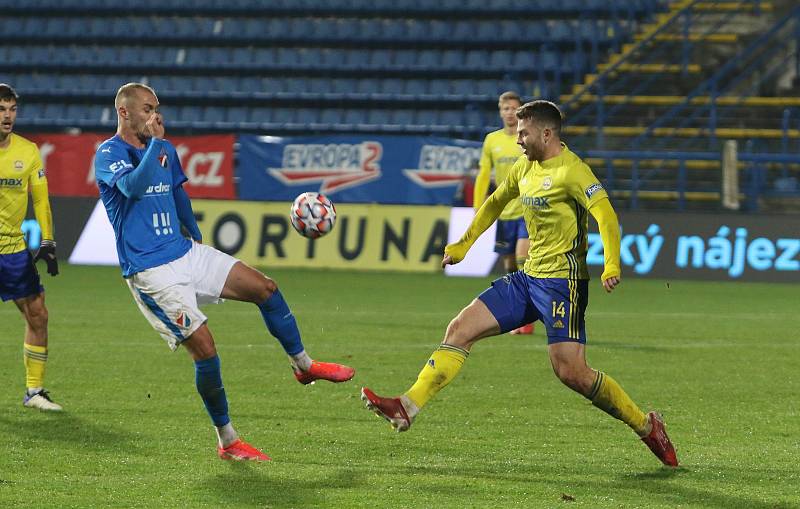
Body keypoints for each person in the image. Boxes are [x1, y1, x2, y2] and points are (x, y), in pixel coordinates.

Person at [362, 100, 678, 467]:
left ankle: (646, 426)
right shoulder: (525, 167)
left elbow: (605, 214)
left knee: (571, 373)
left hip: (563, 282)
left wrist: (611, 264)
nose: (518, 140)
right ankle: (407, 405)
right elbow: (496, 202)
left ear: (546, 133)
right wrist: (463, 245)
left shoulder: (573, 171)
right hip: (528, 278)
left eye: (523, 133)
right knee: (460, 328)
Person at [94, 83, 354, 461]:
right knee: (206, 350)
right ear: (124, 112)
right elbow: (133, 188)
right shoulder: (109, 153)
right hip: (151, 270)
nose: (156, 115)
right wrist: (154, 145)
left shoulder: (165, 149)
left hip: (184, 252)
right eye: (149, 108)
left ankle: (304, 366)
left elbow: (176, 192)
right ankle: (228, 440)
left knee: (265, 287)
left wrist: (195, 234)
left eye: (157, 108)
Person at [0, 84, 62, 412]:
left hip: (12, 251)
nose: (7, 116)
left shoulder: (28, 151)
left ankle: (34, 390)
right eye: (1, 109)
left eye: (11, 109)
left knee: (38, 313)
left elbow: (40, 199)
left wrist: (47, 241)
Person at [474, 91, 534, 335]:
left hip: (527, 207)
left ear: (520, 111)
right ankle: (520, 313)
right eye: (505, 108)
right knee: (510, 265)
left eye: (513, 108)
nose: (509, 113)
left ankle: (529, 316)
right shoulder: (492, 140)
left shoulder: (527, 138)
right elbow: (483, 173)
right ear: (500, 111)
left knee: (522, 258)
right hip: (504, 210)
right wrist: (479, 206)